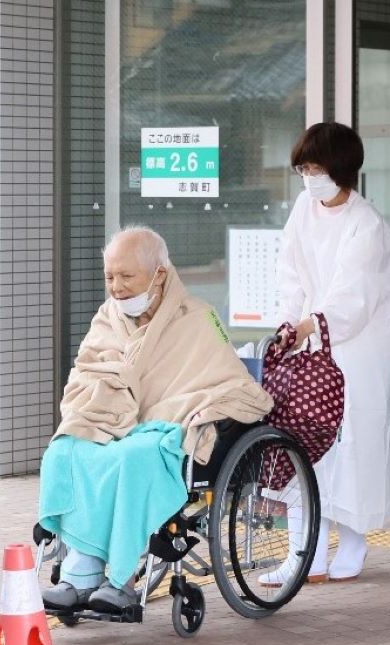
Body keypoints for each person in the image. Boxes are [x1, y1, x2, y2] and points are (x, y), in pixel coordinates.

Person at [38, 227, 272, 612]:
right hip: (113, 422)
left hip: (168, 426)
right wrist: (109, 402)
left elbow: (226, 381)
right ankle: (79, 573)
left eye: (127, 276)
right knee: (66, 449)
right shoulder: (106, 317)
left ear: (159, 274)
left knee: (134, 456)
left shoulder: (197, 317)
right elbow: (86, 373)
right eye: (110, 277)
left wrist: (198, 409)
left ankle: (121, 580)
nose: (116, 288)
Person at [270, 122, 390, 584]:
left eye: (316, 167)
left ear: (341, 169)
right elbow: (289, 271)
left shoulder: (367, 225)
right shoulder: (303, 210)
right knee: (309, 443)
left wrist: (309, 324)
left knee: (354, 443)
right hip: (312, 346)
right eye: (304, 168)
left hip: (358, 352)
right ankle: (307, 550)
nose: (309, 177)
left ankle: (354, 540)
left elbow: (355, 295)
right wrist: (290, 320)